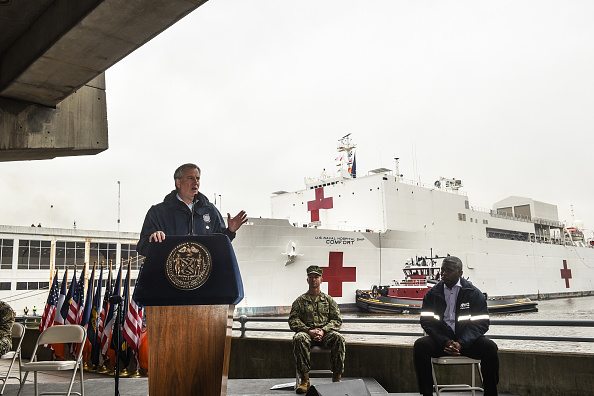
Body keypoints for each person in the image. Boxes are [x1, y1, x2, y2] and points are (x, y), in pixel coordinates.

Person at [413, 256, 499, 396]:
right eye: (442, 270)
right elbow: (427, 322)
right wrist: (445, 341)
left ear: (460, 272)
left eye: (449, 270)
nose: (444, 273)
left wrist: (462, 343)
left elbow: (482, 323)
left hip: (467, 343)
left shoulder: (474, 293)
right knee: (420, 345)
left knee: (490, 348)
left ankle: (491, 393)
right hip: (442, 342)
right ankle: (427, 393)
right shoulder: (432, 294)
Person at [137, 163, 248, 256]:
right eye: (190, 178)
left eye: (198, 179)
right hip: (170, 279)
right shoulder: (158, 212)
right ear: (178, 182)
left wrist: (230, 231)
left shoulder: (210, 211)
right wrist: (154, 240)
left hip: (202, 279)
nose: (196, 182)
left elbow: (220, 246)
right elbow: (143, 247)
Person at [289, 265, 345, 394]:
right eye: (311, 277)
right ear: (307, 280)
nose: (314, 280)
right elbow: (293, 321)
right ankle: (304, 380)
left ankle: (337, 378)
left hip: (325, 334)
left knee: (339, 338)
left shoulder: (329, 300)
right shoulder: (300, 301)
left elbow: (337, 320)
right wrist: (309, 331)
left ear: (321, 280)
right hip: (307, 334)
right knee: (298, 338)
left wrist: (323, 330)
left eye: (316, 277)